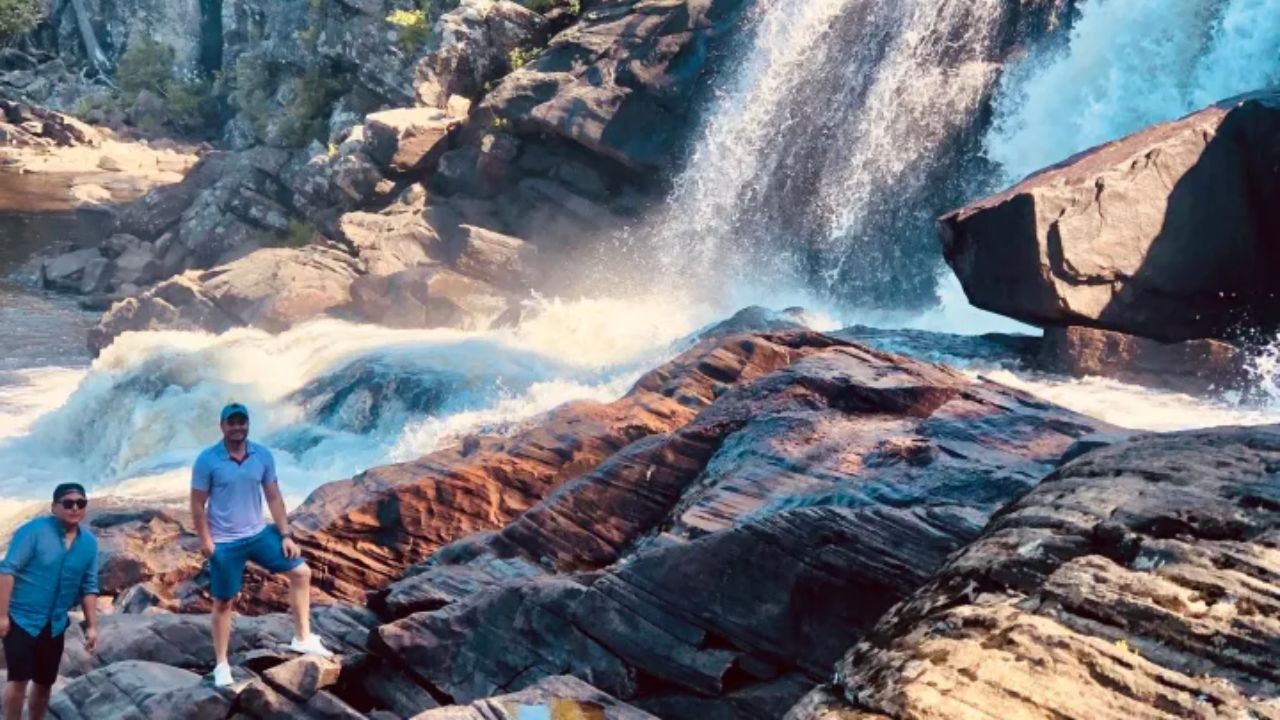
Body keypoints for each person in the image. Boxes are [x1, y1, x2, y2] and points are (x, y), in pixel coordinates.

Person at [191, 402, 332, 688]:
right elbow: (196, 503)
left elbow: (274, 497)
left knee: (301, 573)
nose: (237, 427)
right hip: (226, 543)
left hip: (258, 535)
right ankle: (221, 665)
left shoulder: (262, 456)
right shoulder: (207, 460)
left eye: (242, 422)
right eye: (232, 423)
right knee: (224, 602)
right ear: (222, 426)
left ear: (247, 425)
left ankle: (302, 638)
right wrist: (206, 541)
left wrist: (285, 534)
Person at [0, 484, 99, 720]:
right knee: (18, 680)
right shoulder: (32, 532)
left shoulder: (89, 543)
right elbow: (6, 571)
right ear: (54, 507)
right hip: (21, 618)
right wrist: (2, 615)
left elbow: (89, 585)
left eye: (80, 503)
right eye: (68, 503)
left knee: (45, 683)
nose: (74, 508)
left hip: (55, 623)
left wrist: (92, 626)